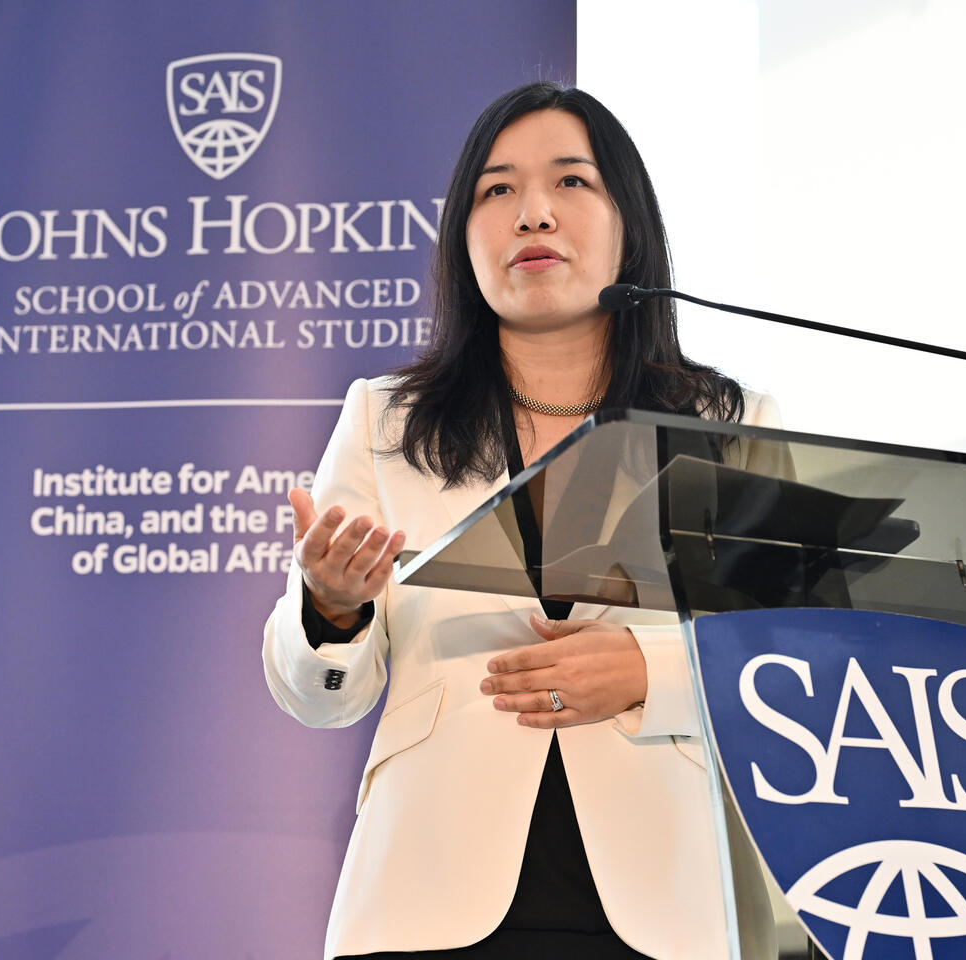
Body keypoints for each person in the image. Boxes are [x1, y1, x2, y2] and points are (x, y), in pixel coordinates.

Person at [262, 82, 779, 959]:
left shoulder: (727, 425)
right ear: (465, 238)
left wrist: (646, 671)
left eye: (571, 182)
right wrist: (332, 608)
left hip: (662, 907)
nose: (532, 213)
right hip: (426, 904)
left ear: (631, 224)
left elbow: (782, 668)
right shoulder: (387, 419)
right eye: (497, 190)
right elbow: (315, 697)